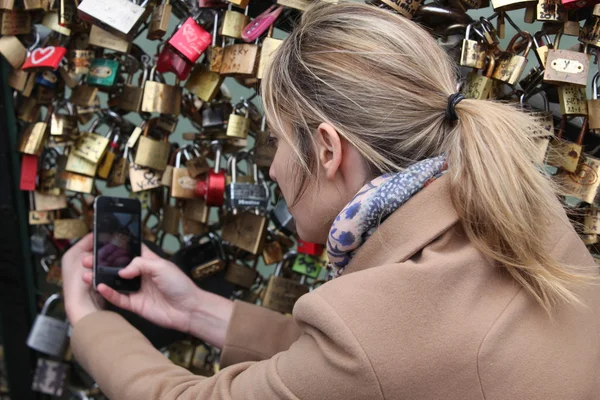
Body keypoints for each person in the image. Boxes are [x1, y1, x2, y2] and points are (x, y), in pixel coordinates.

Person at [62, 3, 600, 399]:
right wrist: (194, 309)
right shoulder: (519, 209)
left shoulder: (370, 327)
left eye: (275, 140)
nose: (271, 167)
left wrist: (86, 318)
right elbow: (370, 360)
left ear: (326, 150)